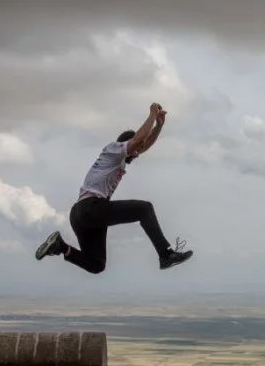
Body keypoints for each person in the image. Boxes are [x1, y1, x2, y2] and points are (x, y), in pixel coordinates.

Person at [34, 102, 193, 273]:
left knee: (96, 265)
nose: (138, 153)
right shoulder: (114, 149)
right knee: (145, 209)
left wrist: (159, 126)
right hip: (91, 208)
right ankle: (165, 254)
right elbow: (138, 140)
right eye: (136, 149)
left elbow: (142, 145)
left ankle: (60, 247)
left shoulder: (118, 160)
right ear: (127, 144)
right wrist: (152, 115)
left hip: (81, 214)